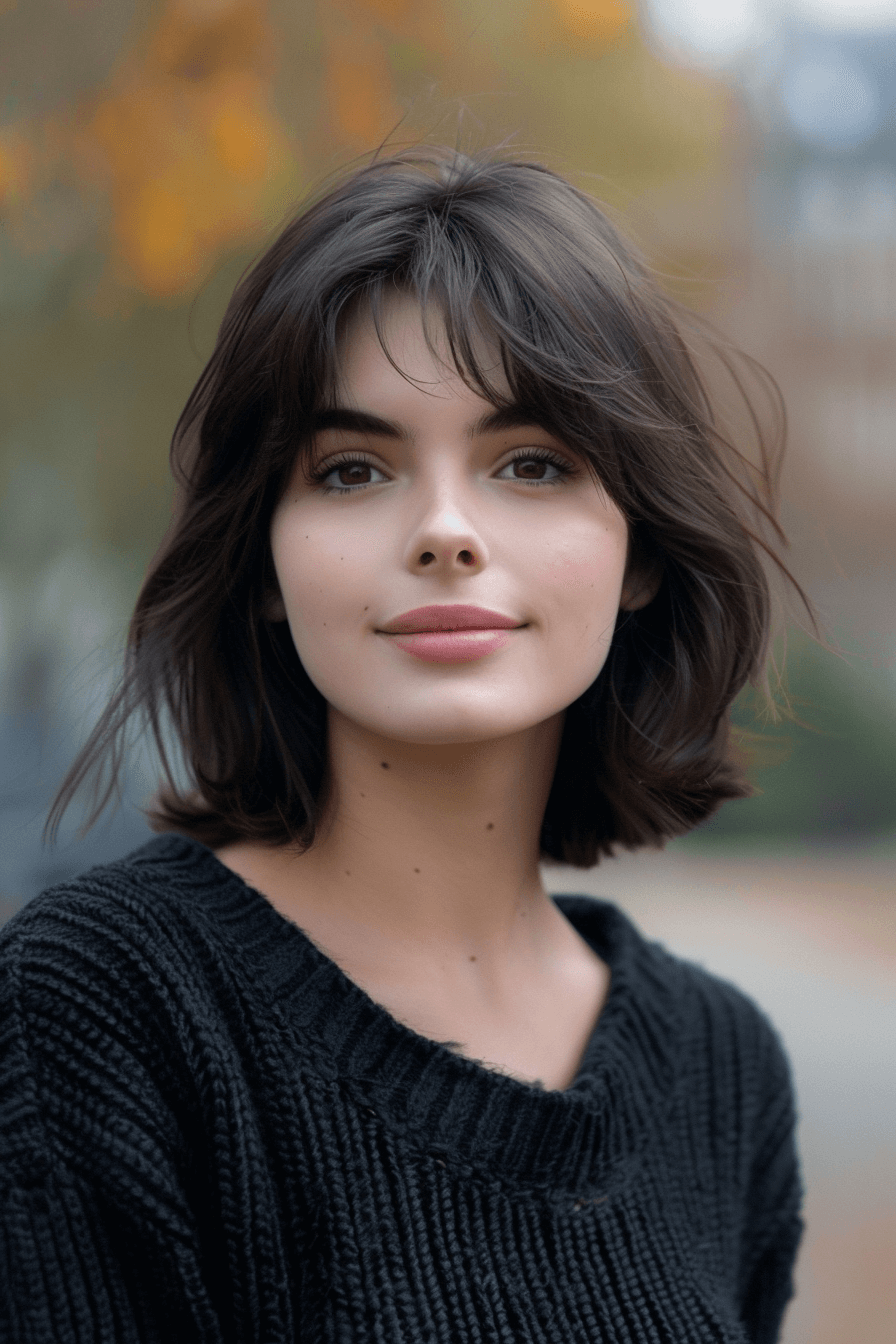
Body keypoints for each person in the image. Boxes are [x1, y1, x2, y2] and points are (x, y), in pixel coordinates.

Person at [0, 147, 805, 1342]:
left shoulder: (722, 1069)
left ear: (637, 551)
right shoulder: (99, 1009)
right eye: (353, 470)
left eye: (529, 463)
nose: (443, 531)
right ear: (264, 563)